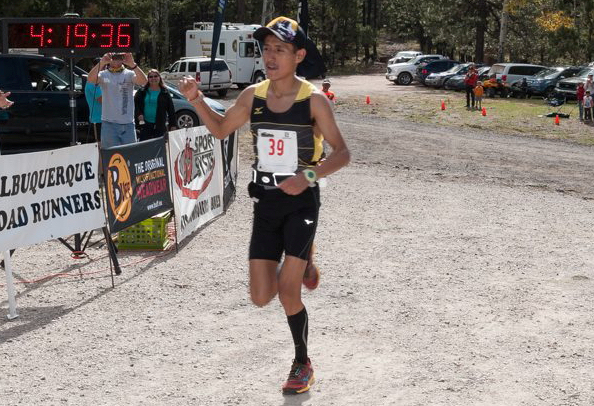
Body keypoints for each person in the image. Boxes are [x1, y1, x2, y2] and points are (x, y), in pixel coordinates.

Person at [179, 16, 350, 395]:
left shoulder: (313, 100)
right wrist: (196, 102)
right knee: (260, 297)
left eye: (280, 50)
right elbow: (222, 129)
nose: (270, 57)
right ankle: (304, 257)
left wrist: (306, 177)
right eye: (266, 48)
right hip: (266, 203)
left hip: (302, 200)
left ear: (298, 55)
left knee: (289, 291)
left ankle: (302, 362)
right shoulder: (252, 96)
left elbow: (343, 154)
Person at [87, 52, 147, 148]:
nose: (116, 59)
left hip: (128, 123)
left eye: (119, 56)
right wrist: (102, 63)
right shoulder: (103, 74)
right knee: (111, 157)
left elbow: (144, 82)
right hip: (109, 124)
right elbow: (90, 79)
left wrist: (132, 64)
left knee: (130, 156)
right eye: (113, 57)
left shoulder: (129, 74)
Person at [134, 69, 177, 141]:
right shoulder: (142, 91)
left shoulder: (165, 92)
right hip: (145, 125)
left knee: (158, 147)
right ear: (148, 79)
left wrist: (173, 125)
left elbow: (171, 110)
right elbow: (136, 105)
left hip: (160, 125)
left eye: (155, 76)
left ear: (159, 77)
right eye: (150, 77)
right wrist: (139, 114)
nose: (153, 78)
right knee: (144, 147)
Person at [84, 60, 103, 144]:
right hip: (97, 120)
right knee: (100, 145)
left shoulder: (101, 83)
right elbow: (102, 100)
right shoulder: (92, 84)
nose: (104, 70)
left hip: (106, 119)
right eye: (101, 68)